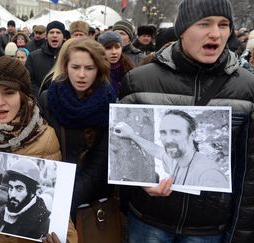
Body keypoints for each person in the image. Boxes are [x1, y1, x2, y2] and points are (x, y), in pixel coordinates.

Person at [118, 0, 254, 242]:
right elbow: (128, 155)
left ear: (192, 135)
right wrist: (138, 183)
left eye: (224, 25)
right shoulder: (139, 81)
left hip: (209, 231)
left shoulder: (247, 87)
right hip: (149, 221)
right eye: (204, 24)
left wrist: (239, 235)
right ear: (182, 29)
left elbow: (249, 174)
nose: (216, 33)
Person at [0, 56, 77, 243]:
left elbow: (59, 198)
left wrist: (66, 237)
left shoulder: (46, 136)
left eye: (9, 93)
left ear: (23, 95)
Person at [38, 38, 116, 220]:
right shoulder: (47, 99)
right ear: (66, 67)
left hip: (87, 202)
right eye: (75, 67)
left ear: (99, 69)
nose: (81, 75)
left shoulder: (109, 104)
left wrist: (65, 201)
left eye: (89, 68)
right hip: (49, 191)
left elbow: (99, 164)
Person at [114, 110, 228, 187]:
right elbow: (157, 151)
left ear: (192, 135)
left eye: (175, 132)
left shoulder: (209, 174)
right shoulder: (176, 159)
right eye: (164, 133)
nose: (168, 140)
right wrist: (131, 135)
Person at [0, 159, 51, 240]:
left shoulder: (44, 224)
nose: (12, 194)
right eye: (11, 188)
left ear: (32, 193)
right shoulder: (4, 213)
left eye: (19, 189)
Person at [26, 21, 65, 98]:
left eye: (58, 32)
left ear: (63, 37)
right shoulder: (33, 57)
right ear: (46, 36)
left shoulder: (69, 56)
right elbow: (29, 80)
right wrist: (41, 97)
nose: (54, 35)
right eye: (51, 32)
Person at [97, 31, 134, 97]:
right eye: (108, 48)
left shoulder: (129, 70)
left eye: (117, 47)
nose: (114, 52)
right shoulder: (95, 71)